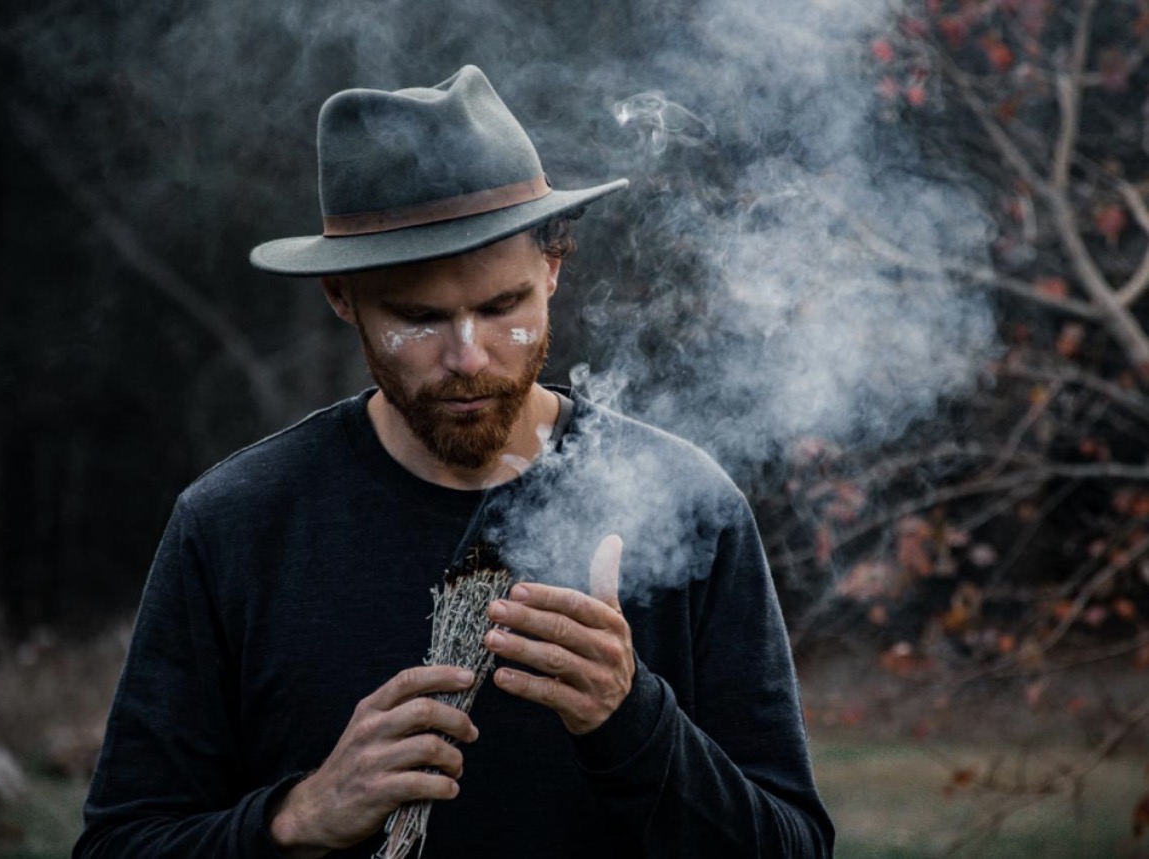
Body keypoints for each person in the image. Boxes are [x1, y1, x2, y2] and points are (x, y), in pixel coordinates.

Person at [75, 65, 834, 858]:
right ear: (343, 296)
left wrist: (631, 720)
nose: (468, 356)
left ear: (553, 269)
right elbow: (119, 843)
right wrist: (295, 819)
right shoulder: (235, 524)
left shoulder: (691, 505)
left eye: (502, 306)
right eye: (420, 317)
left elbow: (793, 848)